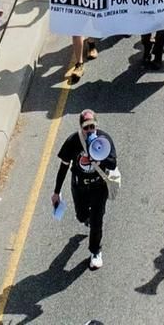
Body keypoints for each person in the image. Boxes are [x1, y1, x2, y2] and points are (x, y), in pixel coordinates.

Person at [51, 108, 118, 272]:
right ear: (81, 127)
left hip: (98, 187)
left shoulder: (104, 139)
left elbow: (112, 164)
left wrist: (99, 155)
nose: (90, 131)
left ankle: (95, 251)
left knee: (97, 220)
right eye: (86, 127)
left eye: (92, 127)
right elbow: (63, 167)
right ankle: (87, 221)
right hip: (79, 186)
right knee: (81, 216)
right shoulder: (73, 141)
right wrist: (56, 192)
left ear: (97, 126)